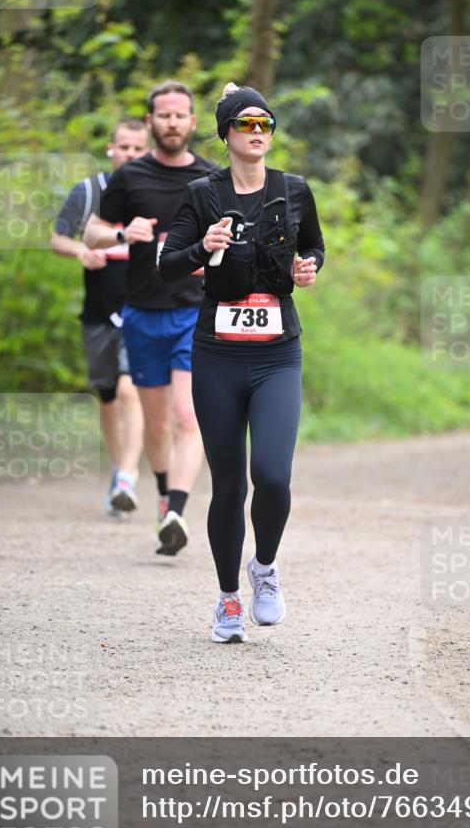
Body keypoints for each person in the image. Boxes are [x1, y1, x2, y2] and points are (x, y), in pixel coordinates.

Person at [159, 83, 325, 643]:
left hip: (278, 352)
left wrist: (308, 269)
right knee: (229, 486)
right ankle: (229, 598)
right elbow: (167, 264)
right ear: (227, 133)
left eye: (265, 125)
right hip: (218, 355)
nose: (258, 134)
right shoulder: (202, 194)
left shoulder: (294, 190)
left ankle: (266, 569)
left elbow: (314, 248)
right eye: (246, 125)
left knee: (273, 476)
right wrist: (203, 248)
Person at [84, 81, 216, 555]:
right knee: (156, 427)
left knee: (188, 416)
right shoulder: (131, 177)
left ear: (193, 121)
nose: (173, 123)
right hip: (141, 313)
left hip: (193, 312)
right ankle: (165, 496)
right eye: (164, 115)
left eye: (181, 115)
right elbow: (93, 233)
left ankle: (177, 510)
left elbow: (238, 237)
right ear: (151, 121)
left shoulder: (211, 178)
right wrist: (122, 231)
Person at [51, 119, 147, 517]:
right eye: (124, 147)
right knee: (107, 395)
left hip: (142, 306)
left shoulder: (156, 191)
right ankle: (117, 470)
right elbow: (57, 237)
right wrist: (80, 252)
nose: (130, 154)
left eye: (138, 148)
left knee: (130, 389)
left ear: (148, 151)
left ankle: (128, 476)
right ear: (111, 149)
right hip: (98, 309)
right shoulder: (89, 191)